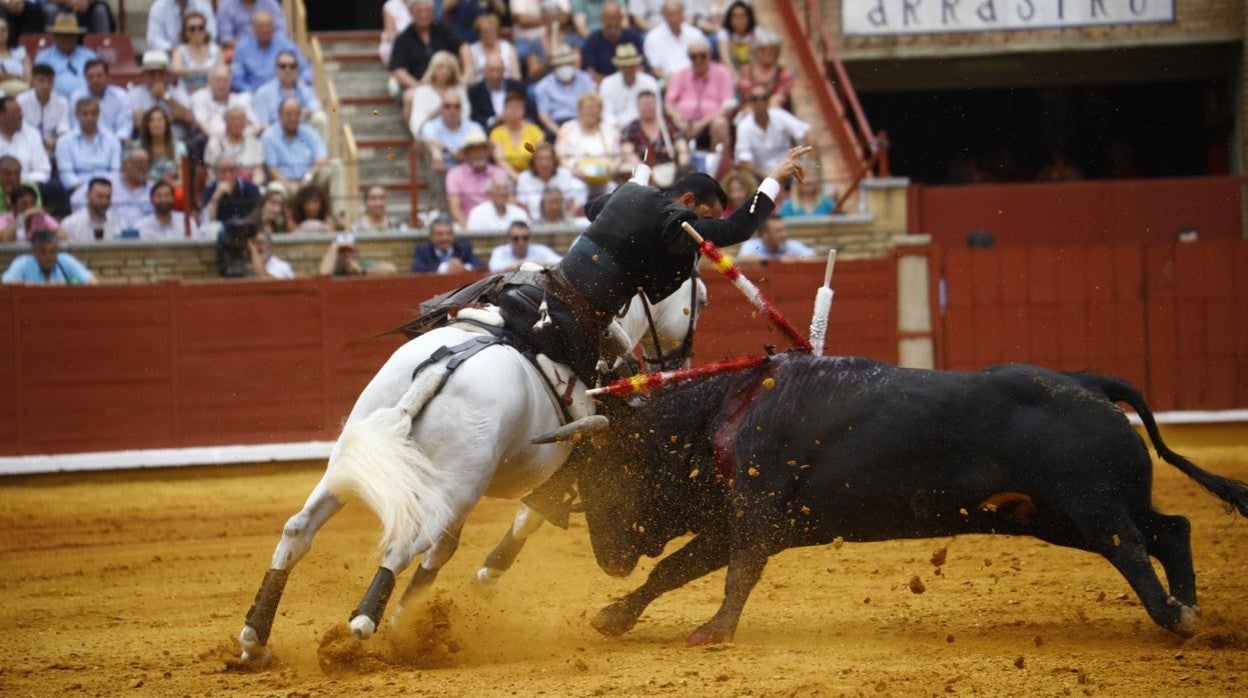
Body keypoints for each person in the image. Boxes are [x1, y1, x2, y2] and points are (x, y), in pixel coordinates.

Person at [492, 145, 812, 392]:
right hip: (580, 320)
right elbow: (740, 228)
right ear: (687, 200)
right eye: (705, 218)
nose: (703, 231)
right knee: (613, 408)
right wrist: (773, 179)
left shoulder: (632, 196)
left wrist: (631, 186)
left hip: (546, 289)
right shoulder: (678, 222)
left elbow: (592, 209)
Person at [390, 0, 462, 125]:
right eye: (419, 11)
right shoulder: (403, 38)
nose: (424, 15)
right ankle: (417, 136)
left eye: (427, 11)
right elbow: (398, 70)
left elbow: (463, 47)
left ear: (433, 13)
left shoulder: (442, 30)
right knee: (410, 97)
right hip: (418, 84)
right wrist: (420, 87)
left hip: (446, 83)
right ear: (411, 13)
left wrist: (468, 74)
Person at [665, 36, 734, 155]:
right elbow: (668, 103)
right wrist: (678, 117)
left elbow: (727, 106)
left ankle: (718, 168)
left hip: (710, 122)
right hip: (684, 123)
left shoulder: (722, 73)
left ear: (709, 55)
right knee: (670, 124)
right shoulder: (680, 74)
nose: (698, 60)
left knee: (720, 123)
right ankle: (681, 167)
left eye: (702, 55)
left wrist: (701, 124)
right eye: (694, 56)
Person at [733, 86, 810, 179]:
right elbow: (744, 162)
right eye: (755, 99)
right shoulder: (744, 126)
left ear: (768, 100)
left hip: (789, 171)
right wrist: (771, 178)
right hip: (761, 177)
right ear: (750, 102)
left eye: (763, 98)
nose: (759, 102)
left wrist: (808, 163)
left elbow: (804, 133)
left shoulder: (779, 115)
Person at [555, 91, 621, 195]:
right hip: (575, 177)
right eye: (587, 108)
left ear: (600, 111)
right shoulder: (567, 128)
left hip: (604, 177)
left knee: (613, 190)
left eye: (595, 108)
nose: (591, 112)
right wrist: (573, 171)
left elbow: (617, 156)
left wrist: (611, 170)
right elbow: (560, 157)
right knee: (577, 188)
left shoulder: (610, 130)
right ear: (579, 110)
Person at [261, 97, 330, 193]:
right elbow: (272, 168)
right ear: (280, 115)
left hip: (309, 179)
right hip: (284, 182)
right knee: (275, 188)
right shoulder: (269, 136)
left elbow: (322, 157)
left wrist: (308, 177)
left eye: (296, 114)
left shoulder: (308, 132)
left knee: (335, 167)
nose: (293, 118)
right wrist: (289, 185)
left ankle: (341, 208)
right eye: (289, 114)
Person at [619, 89, 687, 186]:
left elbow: (682, 147)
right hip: (642, 176)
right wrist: (644, 172)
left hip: (670, 173)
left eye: (650, 103)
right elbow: (628, 153)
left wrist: (682, 169)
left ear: (656, 105)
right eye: (644, 104)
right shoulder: (631, 129)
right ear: (638, 106)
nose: (647, 107)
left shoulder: (668, 124)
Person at [55, 96, 121, 195]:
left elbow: (115, 170)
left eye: (93, 114)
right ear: (77, 115)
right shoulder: (64, 141)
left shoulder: (112, 139)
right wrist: (84, 189)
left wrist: (104, 188)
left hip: (107, 188)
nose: (89, 117)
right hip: (77, 189)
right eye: (85, 114)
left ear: (98, 115)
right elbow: (65, 173)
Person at [232, 10, 311, 93]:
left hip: (282, 93)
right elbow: (236, 79)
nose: (265, 30)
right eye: (261, 26)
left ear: (274, 27)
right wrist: (252, 91)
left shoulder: (283, 43)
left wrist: (300, 83)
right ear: (253, 28)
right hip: (252, 93)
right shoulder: (242, 47)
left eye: (268, 26)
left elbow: (305, 68)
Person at [251, 50, 327, 136]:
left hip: (301, 134)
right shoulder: (263, 93)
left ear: (297, 69)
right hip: (276, 136)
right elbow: (262, 125)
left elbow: (316, 106)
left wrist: (302, 113)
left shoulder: (304, 89)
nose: (288, 70)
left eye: (292, 66)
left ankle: (319, 149)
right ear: (276, 69)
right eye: (283, 66)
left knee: (320, 117)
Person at [128, 51, 194, 142]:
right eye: (152, 73)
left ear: (167, 74)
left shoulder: (178, 92)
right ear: (144, 74)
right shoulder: (134, 94)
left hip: (177, 140)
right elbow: (139, 123)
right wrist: (172, 118)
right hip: (147, 142)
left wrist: (165, 96)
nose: (156, 77)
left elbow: (188, 117)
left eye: (160, 73)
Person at [444, 131, 504, 227]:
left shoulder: (498, 172)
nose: (478, 154)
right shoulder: (454, 175)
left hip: (496, 223)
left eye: (482, 150)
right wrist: (470, 230)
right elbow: (455, 210)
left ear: (487, 152)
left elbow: (507, 200)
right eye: (473, 150)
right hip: (466, 224)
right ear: (466, 153)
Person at [407, 51, 471, 139]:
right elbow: (417, 120)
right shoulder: (422, 91)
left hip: (456, 133)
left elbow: (465, 114)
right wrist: (437, 113)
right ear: (433, 69)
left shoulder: (459, 90)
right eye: (440, 67)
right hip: (430, 136)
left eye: (448, 68)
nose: (444, 71)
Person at [68, 59, 134, 142]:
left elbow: (124, 126)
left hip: (115, 143)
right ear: (85, 78)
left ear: (107, 76)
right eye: (91, 77)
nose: (95, 80)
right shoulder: (77, 97)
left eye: (99, 76)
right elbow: (75, 126)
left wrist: (113, 142)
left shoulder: (120, 96)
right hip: (83, 142)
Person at [420, 90, 485, 176]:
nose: (452, 110)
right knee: (435, 155)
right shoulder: (430, 126)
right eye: (447, 106)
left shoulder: (474, 127)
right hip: (441, 173)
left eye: (456, 106)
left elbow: (478, 154)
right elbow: (432, 146)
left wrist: (445, 149)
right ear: (440, 109)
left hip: (470, 172)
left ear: (462, 109)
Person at [516, 142, 586, 219]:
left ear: (554, 161)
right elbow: (522, 208)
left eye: (548, 159)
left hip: (562, 224)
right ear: (533, 162)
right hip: (533, 225)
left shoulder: (564, 174)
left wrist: (567, 224)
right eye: (540, 159)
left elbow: (570, 205)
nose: (544, 163)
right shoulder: (524, 178)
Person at [2, 228, 96, 285]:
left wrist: (68, 285)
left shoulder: (65, 260)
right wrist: (45, 286)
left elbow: (92, 282)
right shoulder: (23, 262)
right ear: (34, 251)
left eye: (52, 252)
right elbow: (6, 283)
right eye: (43, 252)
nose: (48, 256)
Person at [534, 48, 595, 134]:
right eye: (560, 65)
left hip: (582, 121)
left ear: (572, 64)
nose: (564, 67)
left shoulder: (585, 79)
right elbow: (543, 115)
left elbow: (593, 104)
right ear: (555, 66)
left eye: (567, 64)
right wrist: (559, 132)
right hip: (557, 124)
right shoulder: (544, 85)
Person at [34, 13, 95, 98]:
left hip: (85, 105)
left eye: (71, 35)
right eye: (63, 35)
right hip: (54, 103)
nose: (67, 39)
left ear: (76, 36)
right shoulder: (44, 58)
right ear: (55, 36)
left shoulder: (89, 56)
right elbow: (38, 85)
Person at [192, 66, 261, 140]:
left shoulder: (240, 99)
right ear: (209, 82)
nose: (221, 84)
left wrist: (237, 138)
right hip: (210, 141)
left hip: (239, 141)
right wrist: (224, 141)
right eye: (217, 80)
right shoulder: (199, 97)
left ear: (231, 82)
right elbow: (203, 124)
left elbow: (255, 126)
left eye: (225, 80)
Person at [598, 43, 658, 128]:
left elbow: (657, 110)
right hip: (616, 127)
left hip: (644, 128)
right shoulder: (607, 83)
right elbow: (606, 113)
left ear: (637, 65)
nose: (629, 69)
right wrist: (616, 125)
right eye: (625, 66)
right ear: (618, 67)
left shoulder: (649, 82)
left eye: (631, 65)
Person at [467, 53, 530, 132]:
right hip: (487, 132)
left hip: (517, 128)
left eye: (498, 70)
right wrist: (494, 120)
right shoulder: (474, 91)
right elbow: (474, 118)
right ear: (484, 71)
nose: (495, 75)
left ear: (504, 71)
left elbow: (528, 111)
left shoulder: (517, 87)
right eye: (491, 70)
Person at [580, 2, 643, 81]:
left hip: (631, 83)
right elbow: (590, 71)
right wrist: (610, 84)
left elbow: (641, 67)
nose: (612, 21)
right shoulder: (592, 41)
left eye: (615, 17)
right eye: (608, 17)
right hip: (601, 86)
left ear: (621, 18)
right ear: (601, 18)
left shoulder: (633, 37)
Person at [489, 90, 544, 179]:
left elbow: (540, 154)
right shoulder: (496, 133)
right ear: (504, 110)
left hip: (533, 174)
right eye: (510, 107)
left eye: (517, 107)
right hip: (507, 176)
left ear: (523, 110)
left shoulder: (534, 130)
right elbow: (500, 161)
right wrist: (518, 178)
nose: (513, 111)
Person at [17, 65, 69, 155]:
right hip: (27, 145)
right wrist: (42, 141)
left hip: (53, 147)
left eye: (49, 81)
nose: (46, 85)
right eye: (41, 81)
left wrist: (57, 141)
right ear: (33, 82)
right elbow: (20, 128)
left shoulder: (62, 102)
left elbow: (64, 128)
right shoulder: (21, 100)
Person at [641, 1, 701, 80]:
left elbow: (703, 62)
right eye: (670, 14)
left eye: (677, 13)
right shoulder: (652, 38)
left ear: (683, 14)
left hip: (694, 78)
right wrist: (672, 80)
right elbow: (655, 68)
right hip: (667, 80)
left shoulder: (695, 34)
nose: (674, 18)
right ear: (663, 15)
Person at [204, 105, 265, 182]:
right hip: (221, 184)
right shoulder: (214, 142)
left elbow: (258, 172)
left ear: (246, 121)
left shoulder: (255, 143)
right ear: (225, 121)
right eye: (232, 119)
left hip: (248, 186)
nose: (237, 123)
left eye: (240, 119)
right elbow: (211, 173)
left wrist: (252, 187)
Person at [737, 28, 793, 109]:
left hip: (775, 110)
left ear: (776, 52)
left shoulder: (783, 73)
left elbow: (780, 97)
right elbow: (745, 94)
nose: (767, 53)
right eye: (763, 49)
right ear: (755, 51)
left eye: (771, 50)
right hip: (749, 110)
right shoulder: (746, 71)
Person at [0, 95, 50, 186]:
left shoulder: (32, 134)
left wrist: (19, 181)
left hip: (27, 187)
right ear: (1, 115)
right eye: (15, 112)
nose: (21, 115)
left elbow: (43, 170)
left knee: (55, 189)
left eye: (20, 111)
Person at [170, 10, 222, 94]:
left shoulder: (216, 50)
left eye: (200, 28)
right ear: (186, 33)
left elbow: (222, 71)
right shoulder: (180, 51)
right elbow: (176, 70)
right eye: (192, 29)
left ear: (205, 30)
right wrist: (201, 70)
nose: (197, 31)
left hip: (211, 94)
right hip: (187, 93)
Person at [459, 13, 519, 83]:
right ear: (479, 33)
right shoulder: (471, 50)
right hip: (481, 89)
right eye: (485, 31)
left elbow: (516, 75)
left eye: (492, 30)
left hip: (507, 86)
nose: (489, 34)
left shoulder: (508, 47)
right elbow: (469, 75)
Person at [411, 215, 483, 273]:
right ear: (431, 237)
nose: (445, 238)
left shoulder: (463, 247)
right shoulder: (423, 250)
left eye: (448, 233)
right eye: (439, 234)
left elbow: (479, 265)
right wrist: (445, 268)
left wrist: (463, 267)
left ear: (453, 235)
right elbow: (417, 269)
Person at [61, 177, 123, 242]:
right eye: (100, 196)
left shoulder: (119, 223)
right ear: (88, 195)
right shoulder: (70, 224)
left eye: (108, 197)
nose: (104, 201)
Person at [137, 107, 187, 187]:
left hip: (170, 191)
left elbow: (183, 181)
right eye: (151, 120)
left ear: (166, 124)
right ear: (146, 125)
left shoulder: (179, 147)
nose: (156, 124)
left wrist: (166, 183)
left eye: (160, 120)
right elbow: (134, 177)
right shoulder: (137, 148)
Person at [201, 156, 261, 222]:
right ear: (216, 173)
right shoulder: (209, 190)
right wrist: (217, 194)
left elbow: (258, 215)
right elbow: (208, 220)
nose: (228, 175)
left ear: (237, 170)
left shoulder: (251, 189)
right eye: (223, 171)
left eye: (232, 170)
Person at [105, 149, 154, 228]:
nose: (142, 167)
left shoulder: (153, 189)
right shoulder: (108, 181)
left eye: (145, 163)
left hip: (145, 236)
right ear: (125, 164)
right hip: (111, 233)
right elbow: (78, 200)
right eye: (138, 163)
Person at [146, 0, 217, 53]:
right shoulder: (159, 6)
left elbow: (212, 34)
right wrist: (176, 51)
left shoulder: (203, 5)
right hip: (168, 55)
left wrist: (196, 49)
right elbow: (153, 39)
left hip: (199, 53)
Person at [488, 220, 561, 271]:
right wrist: (526, 264)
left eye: (525, 238)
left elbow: (560, 262)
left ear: (530, 238)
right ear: (508, 239)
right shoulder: (500, 250)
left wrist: (543, 263)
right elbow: (494, 266)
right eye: (515, 238)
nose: (520, 242)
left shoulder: (541, 250)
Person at [738, 215, 815, 261]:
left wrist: (796, 259)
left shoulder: (789, 244)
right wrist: (777, 261)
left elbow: (814, 256)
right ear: (765, 234)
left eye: (784, 229)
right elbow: (743, 259)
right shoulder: (753, 245)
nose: (784, 234)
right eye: (778, 231)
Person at [216, 0, 286, 47]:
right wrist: (251, 47)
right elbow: (225, 38)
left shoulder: (270, 3)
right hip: (237, 49)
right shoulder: (226, 5)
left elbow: (280, 32)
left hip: (269, 46)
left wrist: (264, 45)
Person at [715, 0, 754, 83]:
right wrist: (735, 75)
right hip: (732, 73)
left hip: (752, 73)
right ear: (730, 19)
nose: (739, 20)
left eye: (743, 16)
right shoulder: (724, 34)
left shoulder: (756, 34)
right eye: (735, 16)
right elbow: (725, 58)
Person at [41, 0, 116, 34]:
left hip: (87, 7)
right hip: (60, 7)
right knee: (50, 10)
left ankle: (104, 45)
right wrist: (70, 2)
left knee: (100, 10)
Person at [0, 17, 31, 96]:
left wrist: (8, 77)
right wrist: (16, 77)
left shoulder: (20, 52)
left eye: (4, 29)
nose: (1, 32)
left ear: (9, 33)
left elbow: (28, 79)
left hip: (22, 91)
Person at [378, 0, 411, 66]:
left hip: (417, 36)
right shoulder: (390, 5)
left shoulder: (422, 2)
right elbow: (390, 31)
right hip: (398, 37)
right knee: (386, 48)